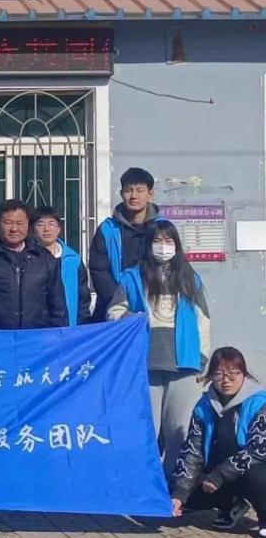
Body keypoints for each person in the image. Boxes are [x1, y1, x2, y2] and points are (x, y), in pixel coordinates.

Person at [108, 220, 210, 472]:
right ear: (147, 244)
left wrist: (202, 358)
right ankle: (145, 480)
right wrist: (133, 317)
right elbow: (113, 312)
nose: (163, 246)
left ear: (176, 245)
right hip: (144, 363)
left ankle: (175, 482)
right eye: (157, 241)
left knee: (179, 429)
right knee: (145, 428)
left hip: (184, 364)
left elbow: (203, 319)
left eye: (168, 241)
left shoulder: (190, 278)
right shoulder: (132, 277)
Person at [171, 347, 266, 538]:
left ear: (244, 374)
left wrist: (219, 475)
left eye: (233, 374)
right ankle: (232, 504)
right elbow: (192, 451)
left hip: (253, 469)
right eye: (219, 374)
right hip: (220, 471)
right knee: (185, 496)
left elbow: (258, 451)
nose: (226, 380)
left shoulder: (260, 403)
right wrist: (179, 493)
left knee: (256, 474)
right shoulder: (204, 406)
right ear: (210, 376)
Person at [0, 200, 68, 330]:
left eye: (19, 223)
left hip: (36, 337)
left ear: (28, 225)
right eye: (8, 223)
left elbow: (58, 305)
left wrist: (57, 336)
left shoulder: (45, 259)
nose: (14, 229)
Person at [89, 167, 162, 321]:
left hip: (156, 310)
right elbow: (99, 270)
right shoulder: (107, 229)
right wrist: (119, 305)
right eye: (129, 190)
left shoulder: (163, 228)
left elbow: (174, 267)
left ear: (150, 194)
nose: (134, 196)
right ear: (122, 193)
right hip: (114, 312)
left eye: (140, 190)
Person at [31, 206, 91, 326]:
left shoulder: (73, 260)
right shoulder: (28, 259)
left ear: (59, 229)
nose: (46, 229)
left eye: (51, 224)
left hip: (70, 327)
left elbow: (83, 299)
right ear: (32, 230)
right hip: (38, 329)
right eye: (40, 224)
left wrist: (81, 326)